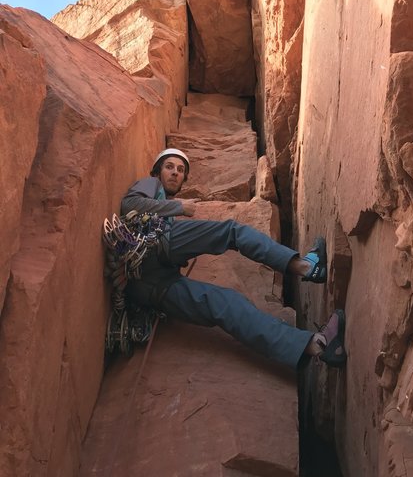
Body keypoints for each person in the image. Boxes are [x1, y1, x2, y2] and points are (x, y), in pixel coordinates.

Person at [120, 148, 347, 370]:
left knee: (226, 305)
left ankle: (318, 345)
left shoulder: (164, 208)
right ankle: (307, 267)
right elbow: (129, 205)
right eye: (169, 167)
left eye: (180, 170)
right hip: (153, 247)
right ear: (157, 171)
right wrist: (178, 206)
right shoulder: (152, 184)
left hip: (151, 288)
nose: (174, 173)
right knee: (231, 232)